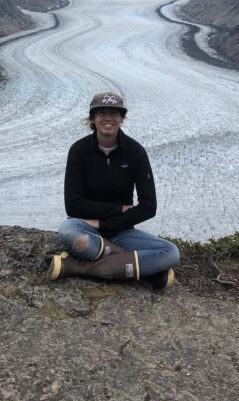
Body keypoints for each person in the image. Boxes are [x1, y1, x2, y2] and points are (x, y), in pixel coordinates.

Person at [49, 91, 179, 290]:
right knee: (69, 232)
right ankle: (143, 271)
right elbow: (73, 205)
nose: (108, 118)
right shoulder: (79, 151)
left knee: (170, 252)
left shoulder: (135, 152)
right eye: (101, 112)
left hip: (122, 232)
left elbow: (148, 207)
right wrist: (118, 211)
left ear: (121, 118)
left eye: (114, 112)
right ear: (92, 118)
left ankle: (78, 268)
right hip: (86, 229)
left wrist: (102, 223)